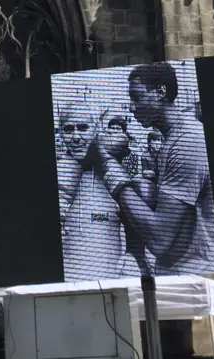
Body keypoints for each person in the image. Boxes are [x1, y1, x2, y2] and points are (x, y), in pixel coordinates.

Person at [95, 61, 214, 276]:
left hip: (194, 274)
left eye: (137, 97)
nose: (132, 107)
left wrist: (107, 165)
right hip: (178, 271)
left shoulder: (187, 140)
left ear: (161, 92)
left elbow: (160, 237)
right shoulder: (171, 139)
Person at [57, 102, 139, 280]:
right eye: (68, 130)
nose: (75, 137)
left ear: (96, 128)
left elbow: (121, 139)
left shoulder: (107, 165)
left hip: (109, 275)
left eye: (83, 128)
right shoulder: (62, 169)